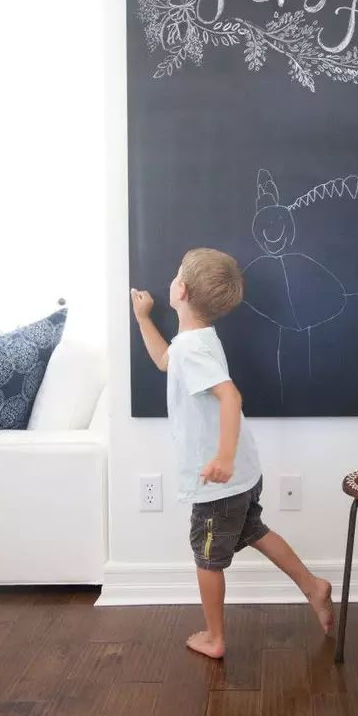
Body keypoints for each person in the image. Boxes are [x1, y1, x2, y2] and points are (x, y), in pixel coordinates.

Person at [130, 247, 333, 658]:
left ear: (181, 291)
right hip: (242, 473)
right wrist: (144, 319)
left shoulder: (192, 348)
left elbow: (230, 395)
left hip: (219, 481)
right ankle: (314, 586)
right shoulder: (197, 341)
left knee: (207, 558)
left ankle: (215, 637)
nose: (172, 280)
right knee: (253, 531)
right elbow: (166, 361)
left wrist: (222, 457)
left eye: (176, 274)